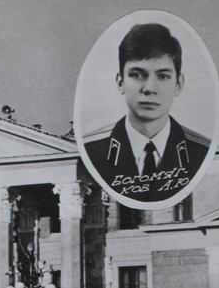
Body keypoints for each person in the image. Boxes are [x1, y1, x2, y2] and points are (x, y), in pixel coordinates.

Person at [83, 23, 210, 204]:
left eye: (163, 76)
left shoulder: (203, 152)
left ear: (178, 84)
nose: (149, 88)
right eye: (137, 75)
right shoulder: (92, 150)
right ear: (120, 82)